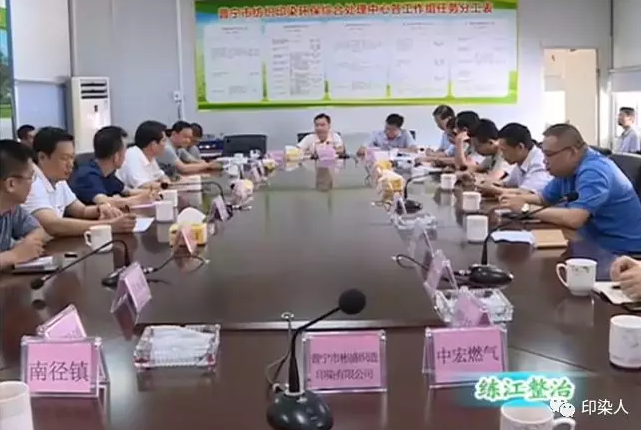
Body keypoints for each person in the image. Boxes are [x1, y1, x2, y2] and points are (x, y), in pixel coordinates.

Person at [500, 123, 641, 254]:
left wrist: (526, 208)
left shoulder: (595, 171)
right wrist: (517, 199)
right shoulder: (567, 169)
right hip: (590, 241)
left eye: (548, 154)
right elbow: (544, 198)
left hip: (621, 252)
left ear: (572, 152)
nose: (544, 161)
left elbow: (575, 218)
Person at [22, 127, 136, 237]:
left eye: (72, 157)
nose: (70, 164)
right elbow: (52, 225)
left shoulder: (58, 179)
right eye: (64, 158)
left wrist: (101, 209)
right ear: (42, 157)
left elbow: (81, 210)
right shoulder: (31, 181)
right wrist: (109, 226)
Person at [69, 126, 157, 208]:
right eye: (124, 151)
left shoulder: (107, 174)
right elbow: (104, 201)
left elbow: (127, 191)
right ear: (116, 156)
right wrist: (137, 200)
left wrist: (150, 193)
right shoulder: (87, 175)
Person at [0, 140, 47, 270]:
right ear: (11, 184)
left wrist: (29, 245)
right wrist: (15, 255)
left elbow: (38, 230)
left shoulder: (11, 208)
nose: (33, 184)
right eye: (30, 177)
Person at [475, 123, 551, 196]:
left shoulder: (539, 163)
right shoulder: (521, 161)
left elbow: (527, 193)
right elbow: (506, 184)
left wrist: (495, 190)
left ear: (520, 147)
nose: (502, 156)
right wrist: (486, 184)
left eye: (504, 151)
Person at [117, 120, 172, 190]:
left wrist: (164, 182)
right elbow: (142, 185)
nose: (165, 145)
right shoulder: (133, 154)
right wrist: (164, 185)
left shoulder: (150, 156)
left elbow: (161, 176)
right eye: (164, 141)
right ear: (153, 145)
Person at [457, 119, 511, 184]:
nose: (476, 150)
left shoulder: (504, 153)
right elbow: (476, 168)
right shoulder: (491, 154)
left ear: (490, 143)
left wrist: (472, 176)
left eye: (477, 146)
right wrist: (466, 173)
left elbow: (493, 178)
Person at [156, 121, 220, 176]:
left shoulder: (179, 147)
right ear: (174, 134)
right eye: (185, 137)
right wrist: (208, 165)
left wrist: (208, 163)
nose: (188, 141)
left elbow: (192, 160)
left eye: (189, 138)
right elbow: (183, 168)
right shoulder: (166, 148)